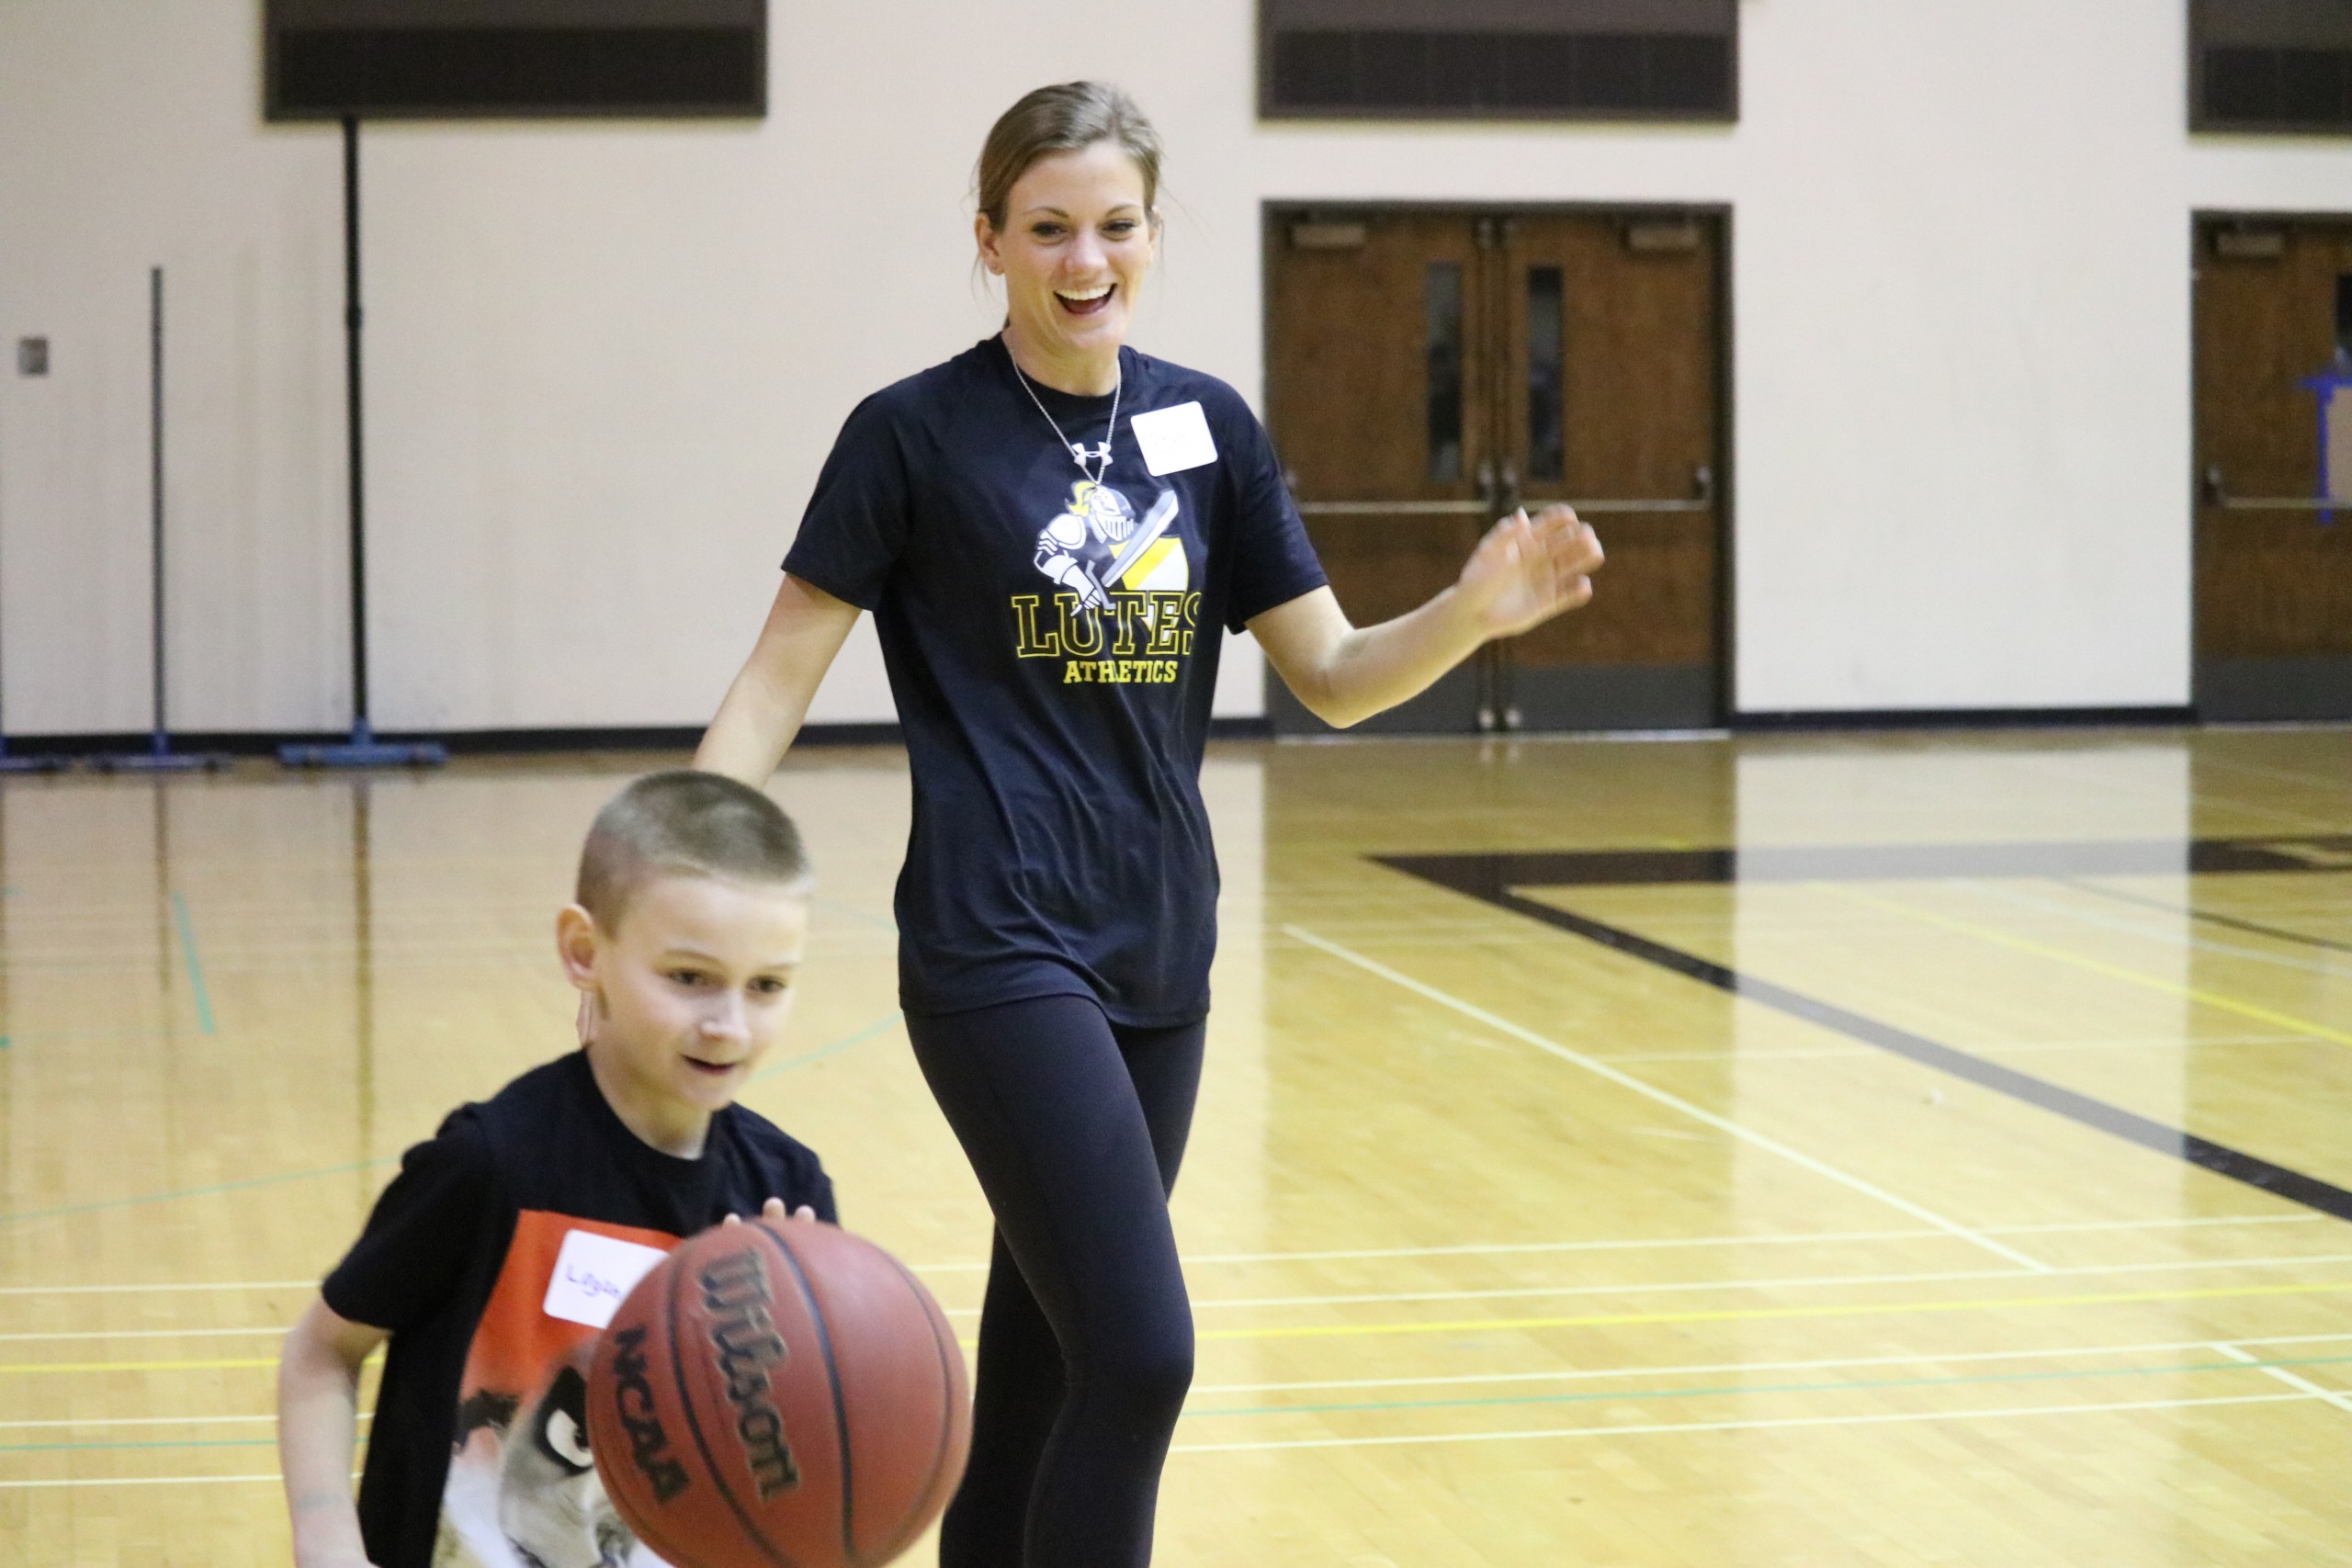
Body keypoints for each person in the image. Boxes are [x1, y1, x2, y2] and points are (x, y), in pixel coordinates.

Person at [695, 81, 1603, 1568]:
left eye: (1114, 225)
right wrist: (687, 857)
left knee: (1053, 1361)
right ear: (989, 240)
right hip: (997, 944)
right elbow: (776, 675)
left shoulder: (1207, 429)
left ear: (1153, 233)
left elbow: (1333, 672)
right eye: (1046, 228)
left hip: (1162, 947)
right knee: (1144, 1352)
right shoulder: (913, 435)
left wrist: (1469, 611)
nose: (1084, 259)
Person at [277, 771, 838, 1568]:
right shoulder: (490, 1164)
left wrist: (806, 1350)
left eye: (768, 986)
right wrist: (328, 1538)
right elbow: (321, 1352)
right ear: (585, 952)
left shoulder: (789, 1197)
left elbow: (787, 1477)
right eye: (688, 976)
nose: (728, 1023)